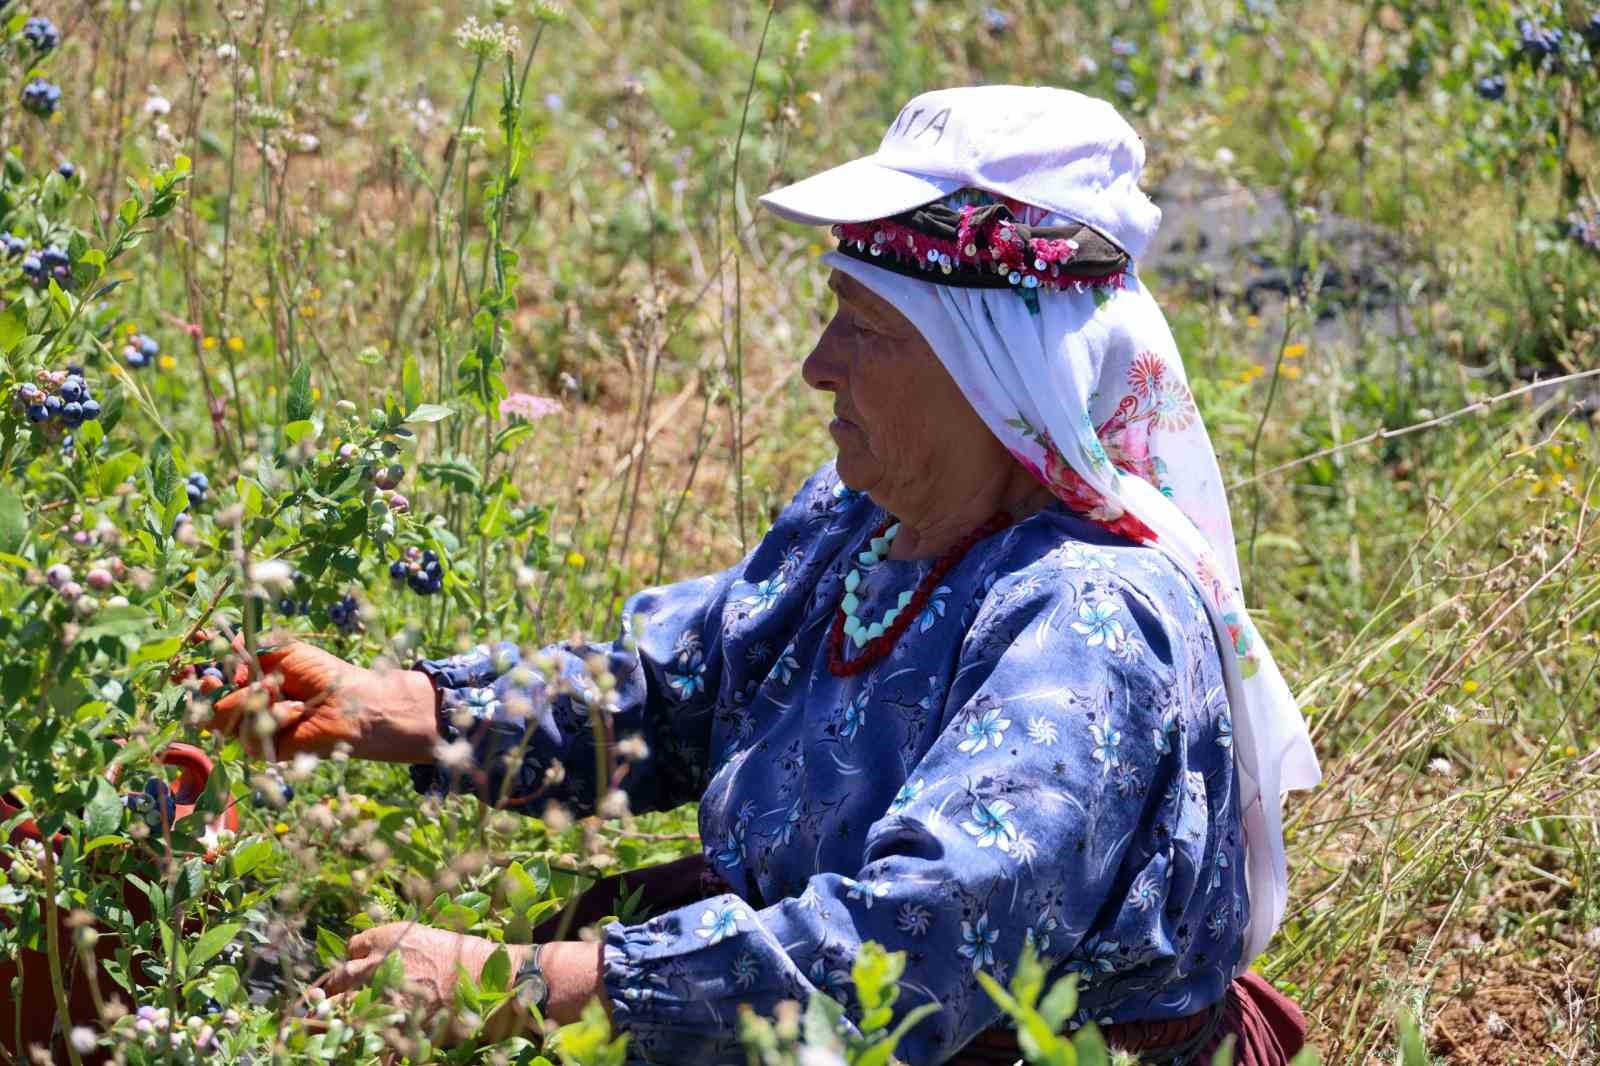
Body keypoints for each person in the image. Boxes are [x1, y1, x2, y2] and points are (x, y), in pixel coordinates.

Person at [213, 85, 1321, 1065]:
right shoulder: (867, 515)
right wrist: (398, 706)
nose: (816, 366)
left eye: (868, 327)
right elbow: (679, 689)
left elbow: (904, 952)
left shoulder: (1084, 618)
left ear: (995, 368)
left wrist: (522, 984)